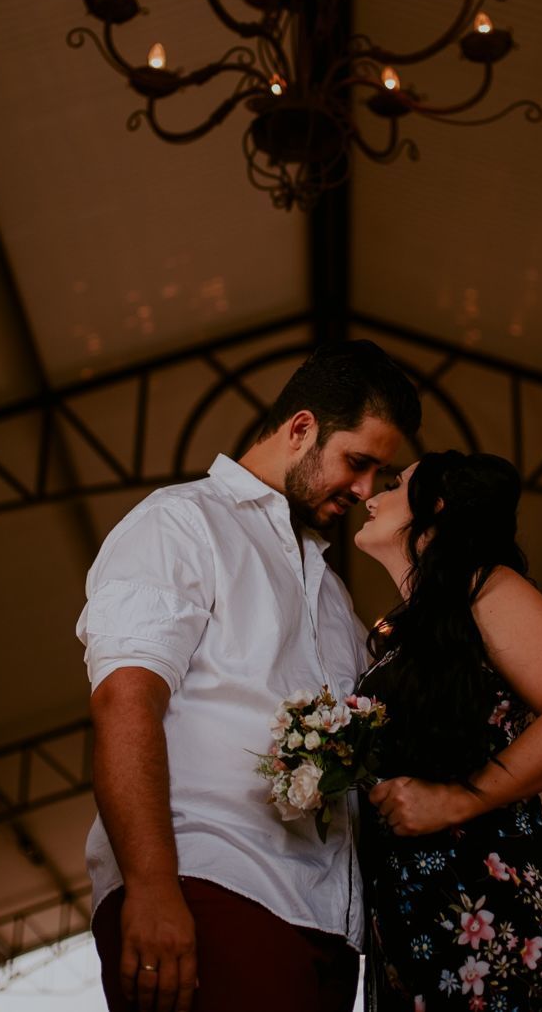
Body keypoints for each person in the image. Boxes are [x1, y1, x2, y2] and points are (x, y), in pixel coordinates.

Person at [77, 339, 422, 1012]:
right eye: (358, 462)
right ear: (301, 429)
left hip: (325, 925)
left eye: (380, 474)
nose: (364, 490)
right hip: (208, 886)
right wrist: (150, 887)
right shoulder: (180, 522)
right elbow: (126, 701)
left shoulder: (331, 592)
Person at [353, 452, 542, 1010]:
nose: (369, 497)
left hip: (504, 922)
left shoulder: (489, 590)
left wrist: (458, 798)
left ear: (438, 505)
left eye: (394, 485)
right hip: (421, 928)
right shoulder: (411, 626)